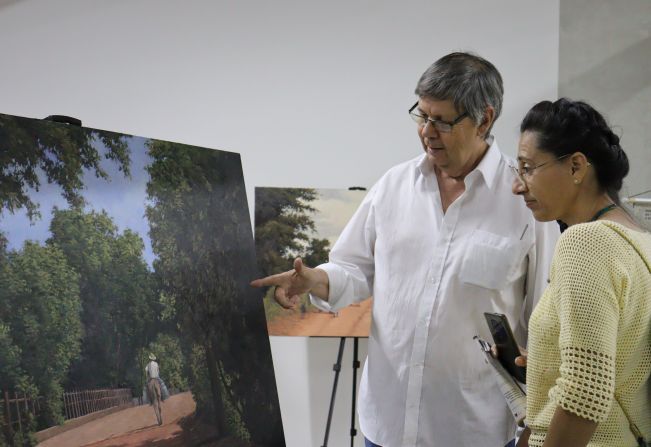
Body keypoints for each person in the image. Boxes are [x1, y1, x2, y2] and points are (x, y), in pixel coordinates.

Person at [251, 52, 559, 447]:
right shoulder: (393, 186)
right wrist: (316, 279)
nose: (427, 132)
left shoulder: (526, 203)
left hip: (472, 430)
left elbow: (545, 321)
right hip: (386, 423)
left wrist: (537, 422)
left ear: (484, 119)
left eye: (442, 120)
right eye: (422, 115)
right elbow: (354, 268)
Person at [510, 98, 651, 446]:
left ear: (576, 167)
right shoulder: (639, 238)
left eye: (527, 168)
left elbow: (584, 396)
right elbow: (622, 365)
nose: (518, 185)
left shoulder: (585, 241)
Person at [145, 353, 164, 426]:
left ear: (150, 359)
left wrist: (147, 378)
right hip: (156, 379)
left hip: (151, 380)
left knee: (148, 391)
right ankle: (162, 397)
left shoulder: (147, 365)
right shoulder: (156, 364)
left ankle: (150, 401)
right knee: (162, 385)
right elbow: (158, 371)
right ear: (154, 358)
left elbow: (146, 371)